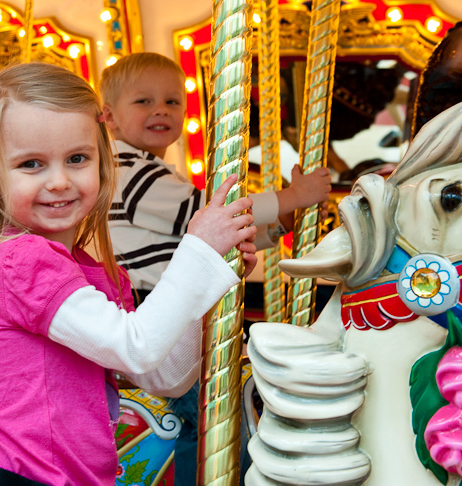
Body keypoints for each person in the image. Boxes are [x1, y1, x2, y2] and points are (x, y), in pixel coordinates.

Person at [0, 62, 258, 486]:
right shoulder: (20, 261)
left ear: (103, 163)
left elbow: (165, 377)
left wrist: (211, 285)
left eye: (78, 158)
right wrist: (197, 252)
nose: (60, 181)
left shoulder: (92, 271)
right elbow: (135, 347)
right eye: (31, 164)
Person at [100, 52, 332, 485]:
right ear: (109, 117)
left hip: (170, 306)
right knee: (204, 415)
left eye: (172, 102)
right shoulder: (125, 170)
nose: (160, 111)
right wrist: (292, 196)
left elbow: (205, 238)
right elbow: (207, 213)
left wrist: (273, 229)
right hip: (158, 310)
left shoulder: (145, 169)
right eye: (143, 101)